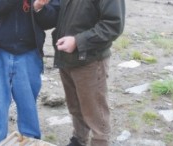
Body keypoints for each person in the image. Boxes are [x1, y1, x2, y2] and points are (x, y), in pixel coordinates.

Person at [0, 0, 59, 145]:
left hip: (29, 53)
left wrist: (39, 8)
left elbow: (52, 19)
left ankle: (31, 141)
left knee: (28, 105)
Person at [52, 0, 125, 146]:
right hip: (66, 57)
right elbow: (58, 15)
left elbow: (113, 25)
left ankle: (100, 142)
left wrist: (78, 41)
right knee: (75, 105)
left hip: (90, 60)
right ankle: (79, 140)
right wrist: (39, 8)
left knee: (95, 111)